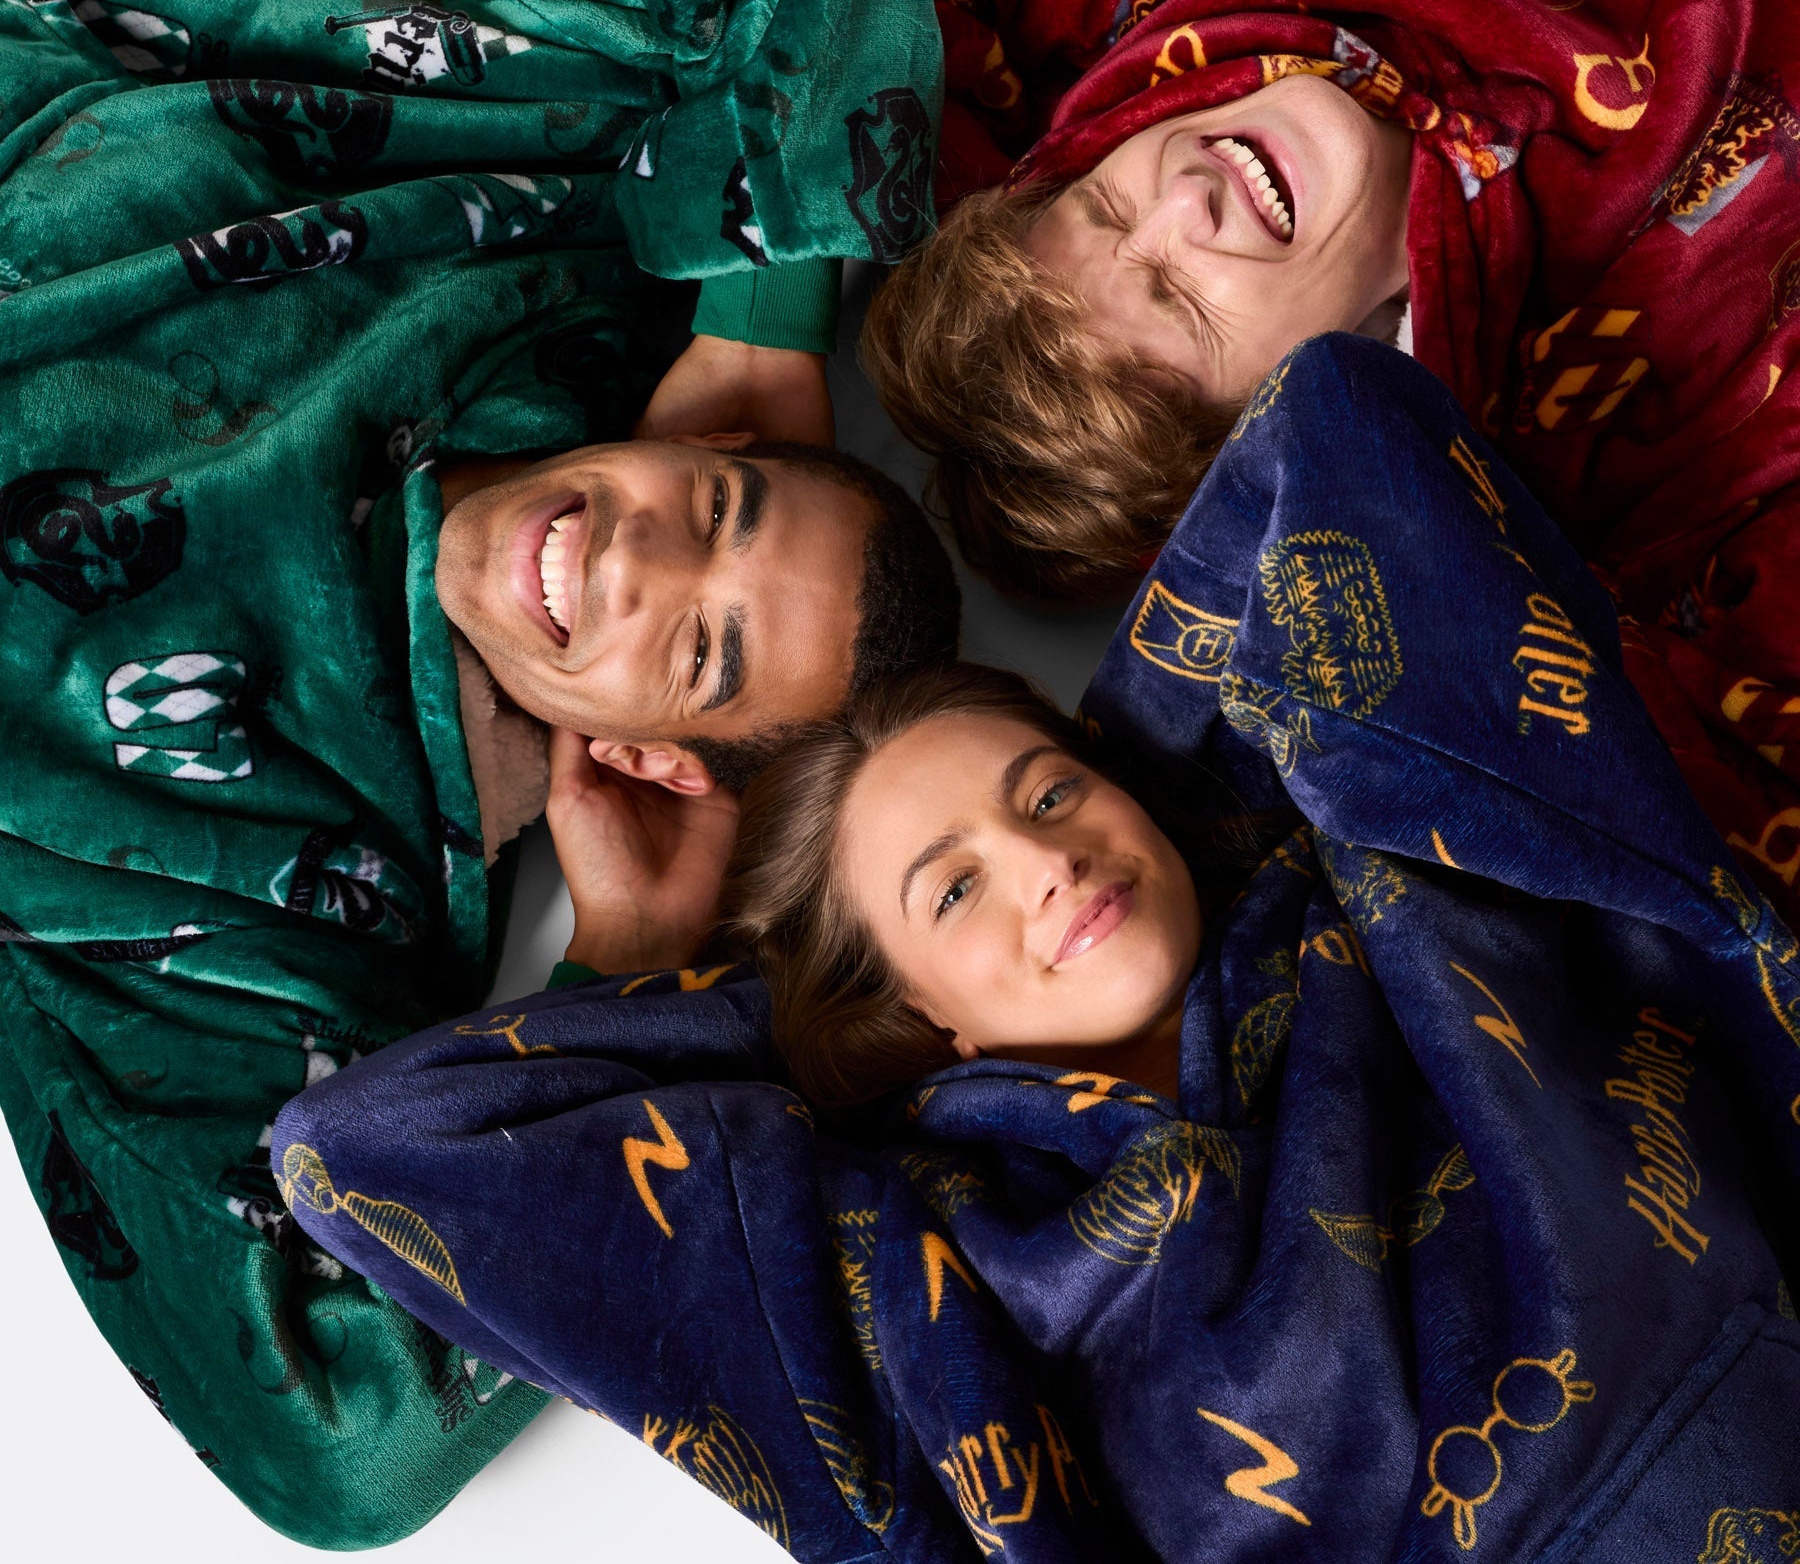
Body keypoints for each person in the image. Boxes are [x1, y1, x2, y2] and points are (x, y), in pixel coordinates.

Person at [273, 336, 1800, 1560]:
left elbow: (1332, 421)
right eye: (950, 894)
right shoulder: (938, 1271)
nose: (1046, 862)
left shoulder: (1378, 884)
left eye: (1051, 794)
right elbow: (360, 1149)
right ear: (919, 1011)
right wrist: (669, 960)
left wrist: (1162, 767)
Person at [0, 0, 953, 1544]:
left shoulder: (308, 918)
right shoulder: (544, 201)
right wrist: (764, 316)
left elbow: (344, 1447)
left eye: (702, 654)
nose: (645, 557)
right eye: (720, 507)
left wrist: (620, 978)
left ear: (652, 760)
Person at [852, 0, 1800, 935]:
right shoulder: (1663, 441)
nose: (1181, 199)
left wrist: (762, 319)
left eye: (1102, 206)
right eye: (1180, 302)